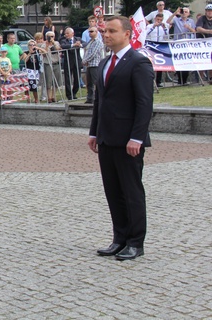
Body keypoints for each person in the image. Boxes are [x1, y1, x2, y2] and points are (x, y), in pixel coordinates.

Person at [89, 15, 154, 261]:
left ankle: (136, 242)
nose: (106, 35)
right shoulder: (106, 62)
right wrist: (94, 132)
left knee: (131, 191)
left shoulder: (138, 62)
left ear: (127, 34)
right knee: (113, 191)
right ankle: (119, 238)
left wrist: (137, 137)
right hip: (106, 138)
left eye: (112, 31)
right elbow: (100, 103)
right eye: (105, 31)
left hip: (128, 140)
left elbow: (144, 103)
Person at [144, 13, 169, 87]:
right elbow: (146, 34)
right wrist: (153, 27)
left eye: (160, 20)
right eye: (158, 19)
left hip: (159, 46)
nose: (159, 21)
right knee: (150, 64)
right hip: (151, 46)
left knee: (159, 64)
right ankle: (150, 81)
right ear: (155, 19)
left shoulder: (163, 26)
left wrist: (165, 28)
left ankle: (158, 81)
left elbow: (167, 36)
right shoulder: (149, 26)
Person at [59, 27, 83, 100]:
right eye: (65, 33)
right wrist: (73, 45)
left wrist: (80, 45)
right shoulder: (63, 40)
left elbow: (85, 43)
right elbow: (63, 46)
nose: (66, 35)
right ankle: (69, 95)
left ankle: (74, 93)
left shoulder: (77, 39)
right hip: (68, 61)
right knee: (68, 79)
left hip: (77, 61)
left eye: (67, 33)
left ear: (72, 33)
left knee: (77, 78)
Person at [82, 26, 104, 104]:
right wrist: (85, 60)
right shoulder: (90, 42)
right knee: (89, 83)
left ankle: (99, 98)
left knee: (96, 82)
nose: (90, 33)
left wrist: (85, 60)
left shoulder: (98, 41)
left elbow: (93, 54)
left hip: (95, 64)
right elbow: (87, 52)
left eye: (92, 31)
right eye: (89, 32)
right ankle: (90, 98)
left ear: (96, 32)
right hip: (89, 65)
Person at [41, 31, 61, 103]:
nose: (50, 38)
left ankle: (53, 96)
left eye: (52, 36)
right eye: (49, 36)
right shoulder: (44, 44)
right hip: (48, 63)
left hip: (56, 63)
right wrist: (47, 45)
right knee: (48, 81)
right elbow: (43, 54)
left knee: (56, 81)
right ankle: (49, 97)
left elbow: (59, 49)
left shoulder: (57, 43)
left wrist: (54, 43)